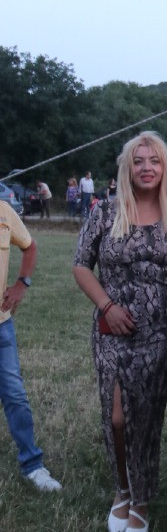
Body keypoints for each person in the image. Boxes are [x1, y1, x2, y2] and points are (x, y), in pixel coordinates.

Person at [73, 132, 167, 532]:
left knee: (145, 416)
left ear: (165, 168)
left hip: (161, 333)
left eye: (154, 161)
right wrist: (107, 305)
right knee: (116, 417)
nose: (147, 167)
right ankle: (122, 488)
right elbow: (81, 265)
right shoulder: (105, 212)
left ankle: (141, 498)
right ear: (127, 167)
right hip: (112, 328)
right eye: (139, 161)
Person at [0, 200, 62, 491]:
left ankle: (32, 465)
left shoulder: (4, 211)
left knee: (15, 394)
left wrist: (22, 283)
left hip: (1, 325)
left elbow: (30, 246)